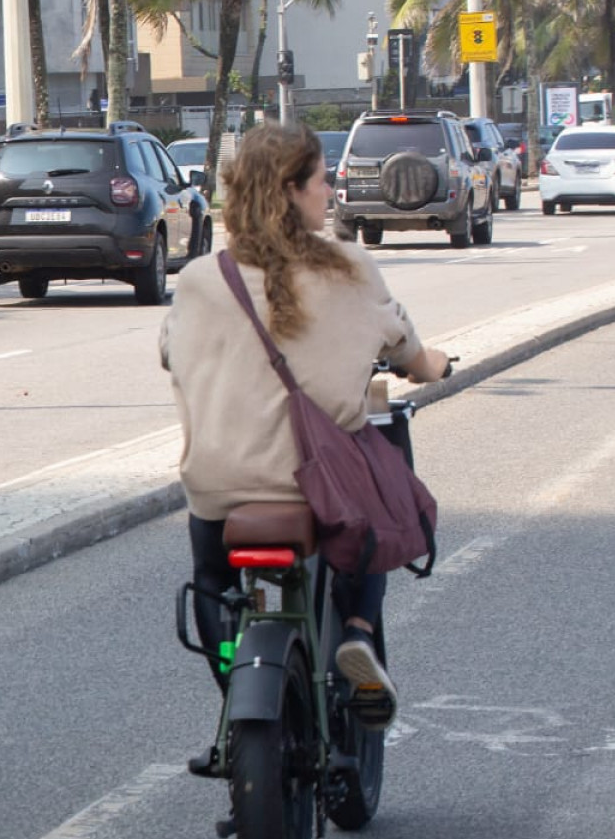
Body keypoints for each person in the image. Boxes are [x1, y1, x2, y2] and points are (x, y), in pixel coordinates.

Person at [160, 122, 450, 736]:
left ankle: (235, 674)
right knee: (375, 502)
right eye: (322, 181)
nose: (331, 193)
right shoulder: (350, 267)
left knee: (213, 581)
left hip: (219, 489)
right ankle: (358, 634)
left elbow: (169, 351)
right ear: (292, 190)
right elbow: (410, 353)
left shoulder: (200, 279)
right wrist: (436, 366)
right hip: (318, 491)